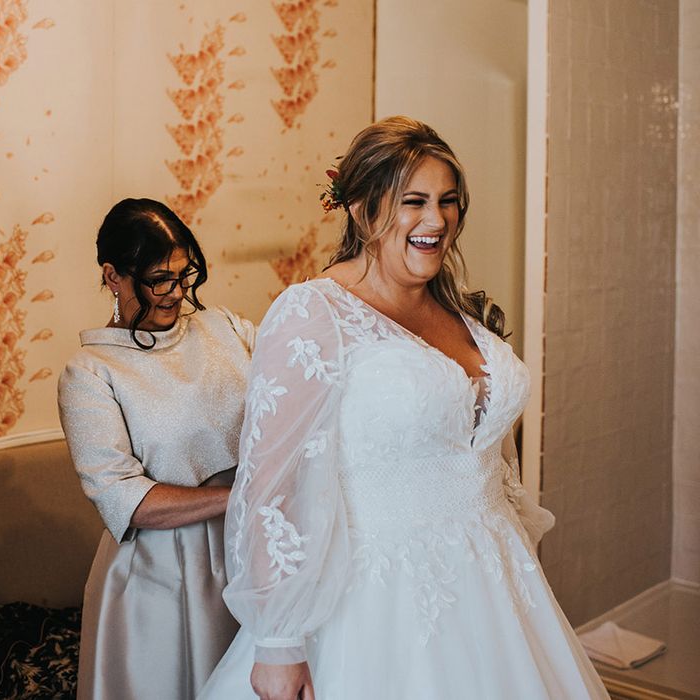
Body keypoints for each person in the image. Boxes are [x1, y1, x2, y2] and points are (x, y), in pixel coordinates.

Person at [199, 117, 608, 699]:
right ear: (363, 210)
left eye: (448, 202)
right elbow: (274, 483)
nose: (437, 221)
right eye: (413, 202)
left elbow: (490, 456)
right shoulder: (314, 314)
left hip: (496, 588)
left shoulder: (463, 311)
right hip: (375, 604)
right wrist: (279, 641)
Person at [57, 198, 255, 699]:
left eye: (185, 275)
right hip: (162, 576)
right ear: (112, 276)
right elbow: (126, 499)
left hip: (251, 547)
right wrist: (243, 495)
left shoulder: (227, 329)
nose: (176, 293)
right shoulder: (90, 372)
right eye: (158, 280)